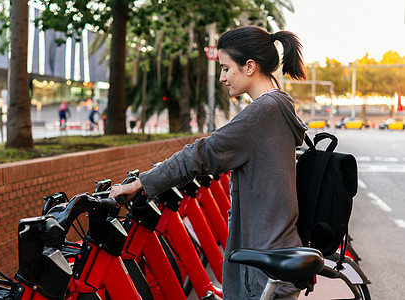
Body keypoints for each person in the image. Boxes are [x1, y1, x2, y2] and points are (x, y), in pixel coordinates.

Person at [110, 26, 308, 300]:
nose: (223, 77)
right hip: (275, 249)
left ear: (249, 66)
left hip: (262, 264)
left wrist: (141, 183)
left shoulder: (263, 111)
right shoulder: (280, 105)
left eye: (226, 68)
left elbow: (202, 153)